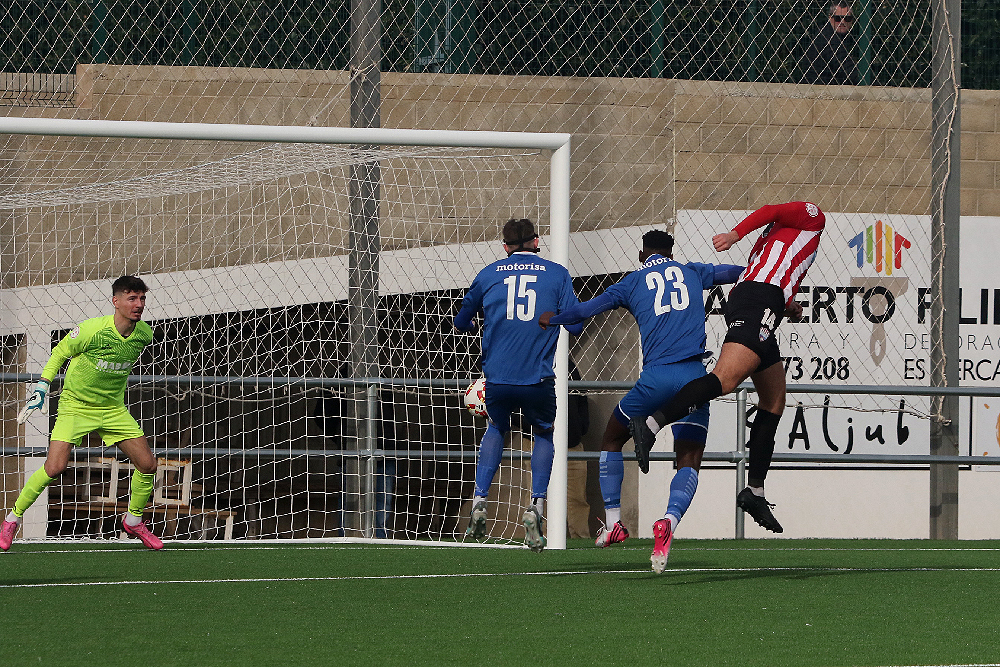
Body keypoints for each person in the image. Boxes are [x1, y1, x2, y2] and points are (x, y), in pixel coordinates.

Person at [540, 230, 742, 573]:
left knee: (612, 438)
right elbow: (736, 272)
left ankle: (615, 522)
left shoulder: (632, 282)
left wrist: (552, 319)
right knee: (689, 458)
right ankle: (668, 521)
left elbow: (584, 311)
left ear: (641, 254)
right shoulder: (694, 272)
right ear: (672, 251)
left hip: (655, 380)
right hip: (695, 378)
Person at [631, 202, 826, 534]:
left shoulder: (778, 242)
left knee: (774, 399)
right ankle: (651, 423)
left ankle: (755, 490)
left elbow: (770, 270)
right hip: (759, 300)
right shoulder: (813, 217)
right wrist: (735, 235)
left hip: (764, 300)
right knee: (724, 380)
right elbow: (771, 209)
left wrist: (789, 305)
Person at [0, 275, 163, 551]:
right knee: (54, 467)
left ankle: (134, 520)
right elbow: (60, 352)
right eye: (132, 298)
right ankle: (11, 520)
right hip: (76, 406)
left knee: (148, 465)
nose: (138, 304)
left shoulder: (144, 334)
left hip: (112, 409)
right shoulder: (91, 330)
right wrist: (41, 387)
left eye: (142, 298)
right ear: (116, 301)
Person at [454, 218, 583, 552]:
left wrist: (481, 329)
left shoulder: (489, 273)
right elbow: (578, 324)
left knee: (497, 428)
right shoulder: (557, 274)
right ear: (537, 242)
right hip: (537, 378)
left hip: (497, 378)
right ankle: (536, 506)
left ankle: (480, 499)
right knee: (543, 434)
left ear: (505, 246)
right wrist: (552, 320)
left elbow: (460, 321)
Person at [800, 1, 859, 86]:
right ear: (830, 18)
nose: (842, 22)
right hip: (818, 89)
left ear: (852, 20)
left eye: (847, 18)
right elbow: (846, 67)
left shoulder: (845, 36)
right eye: (838, 18)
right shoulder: (826, 37)